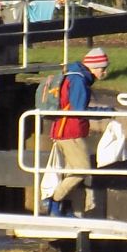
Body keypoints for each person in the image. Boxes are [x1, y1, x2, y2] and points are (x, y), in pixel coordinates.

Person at [47, 46, 109, 215]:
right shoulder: (80, 80)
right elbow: (79, 109)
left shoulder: (74, 75)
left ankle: (65, 208)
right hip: (70, 132)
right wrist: (104, 112)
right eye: (103, 68)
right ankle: (54, 200)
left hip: (63, 129)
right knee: (82, 169)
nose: (104, 72)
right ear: (95, 67)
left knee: (70, 170)